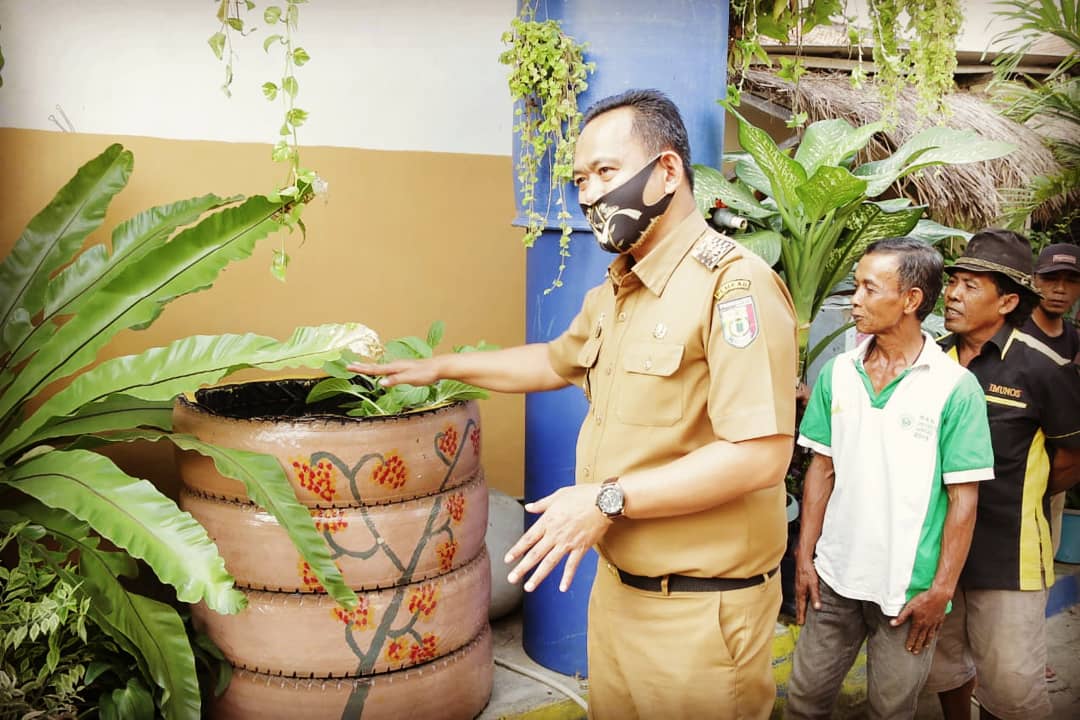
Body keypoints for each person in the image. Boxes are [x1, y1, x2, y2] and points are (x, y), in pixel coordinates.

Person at [351, 89, 798, 719]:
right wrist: (439, 368)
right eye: (581, 178)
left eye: (607, 173)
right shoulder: (619, 289)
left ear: (667, 171)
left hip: (700, 612)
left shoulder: (734, 285)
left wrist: (607, 498)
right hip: (617, 592)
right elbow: (551, 361)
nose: (589, 195)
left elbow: (759, 458)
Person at [785, 238, 994, 720]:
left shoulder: (954, 389)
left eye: (868, 288)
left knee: (891, 709)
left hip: (909, 591)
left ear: (911, 300)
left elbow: (964, 500)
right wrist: (805, 556)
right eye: (856, 286)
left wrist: (941, 589)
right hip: (834, 578)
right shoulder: (838, 373)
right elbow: (822, 469)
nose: (855, 300)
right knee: (804, 701)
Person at [925, 229, 1080, 720]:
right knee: (943, 665)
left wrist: (1019, 492)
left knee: (1012, 687)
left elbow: (1070, 459)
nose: (953, 293)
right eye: (955, 282)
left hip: (1007, 553)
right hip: (937, 549)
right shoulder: (930, 360)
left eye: (972, 285)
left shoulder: (1043, 370)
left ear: (1008, 300)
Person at [1023, 243, 1080, 596]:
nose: (1059, 289)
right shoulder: (1012, 334)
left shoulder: (1075, 342)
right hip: (1005, 469)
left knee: (1041, 562)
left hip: (1053, 474)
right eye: (1050, 279)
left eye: (1070, 281)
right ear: (1033, 280)